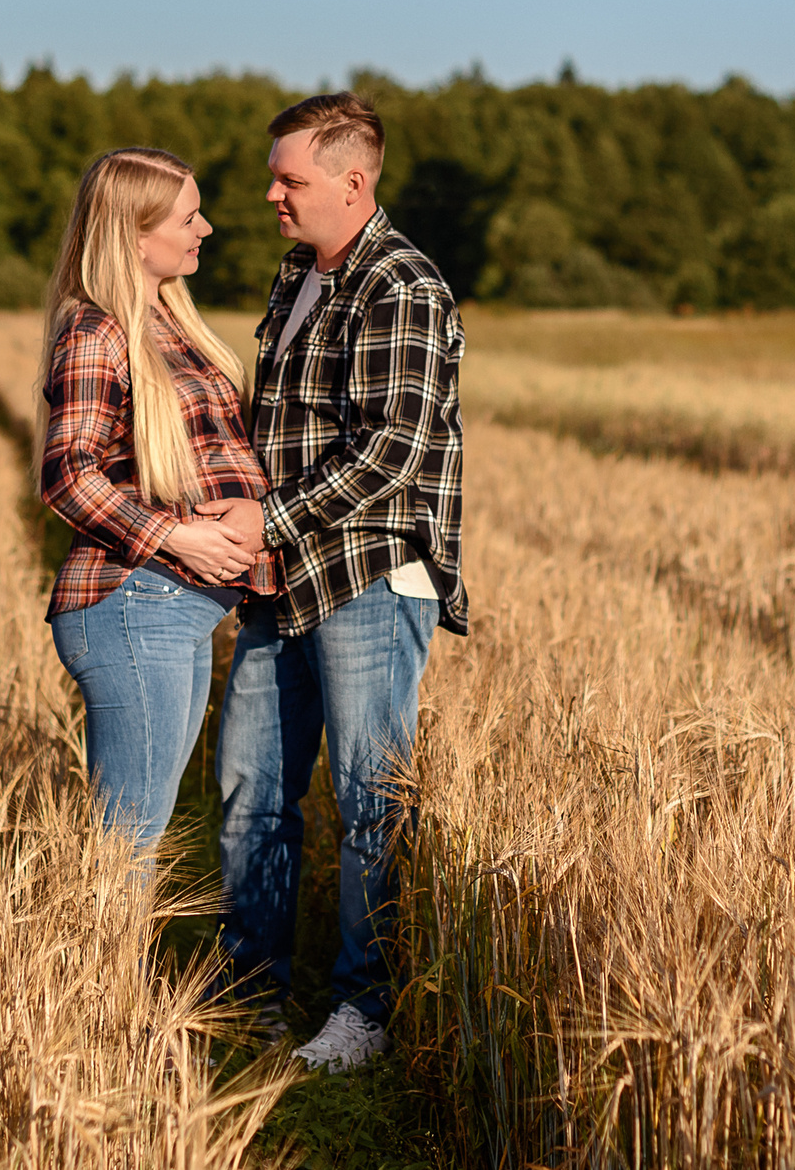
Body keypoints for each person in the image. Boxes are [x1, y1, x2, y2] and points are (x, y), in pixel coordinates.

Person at [193, 92, 469, 1073]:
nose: (269, 192)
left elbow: (389, 449)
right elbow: (285, 429)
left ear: (353, 182)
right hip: (287, 579)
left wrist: (262, 520)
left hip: (366, 580)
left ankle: (363, 1009)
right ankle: (249, 993)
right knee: (250, 788)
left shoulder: (400, 281)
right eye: (274, 175)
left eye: (289, 178)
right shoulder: (297, 274)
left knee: (367, 799)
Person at [37, 146, 278, 863]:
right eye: (189, 215)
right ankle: (99, 977)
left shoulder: (170, 321)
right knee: (126, 843)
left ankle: (111, 975)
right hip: (137, 604)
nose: (205, 228)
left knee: (140, 829)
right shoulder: (96, 330)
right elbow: (67, 476)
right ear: (135, 234)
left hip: (174, 608)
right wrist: (179, 538)